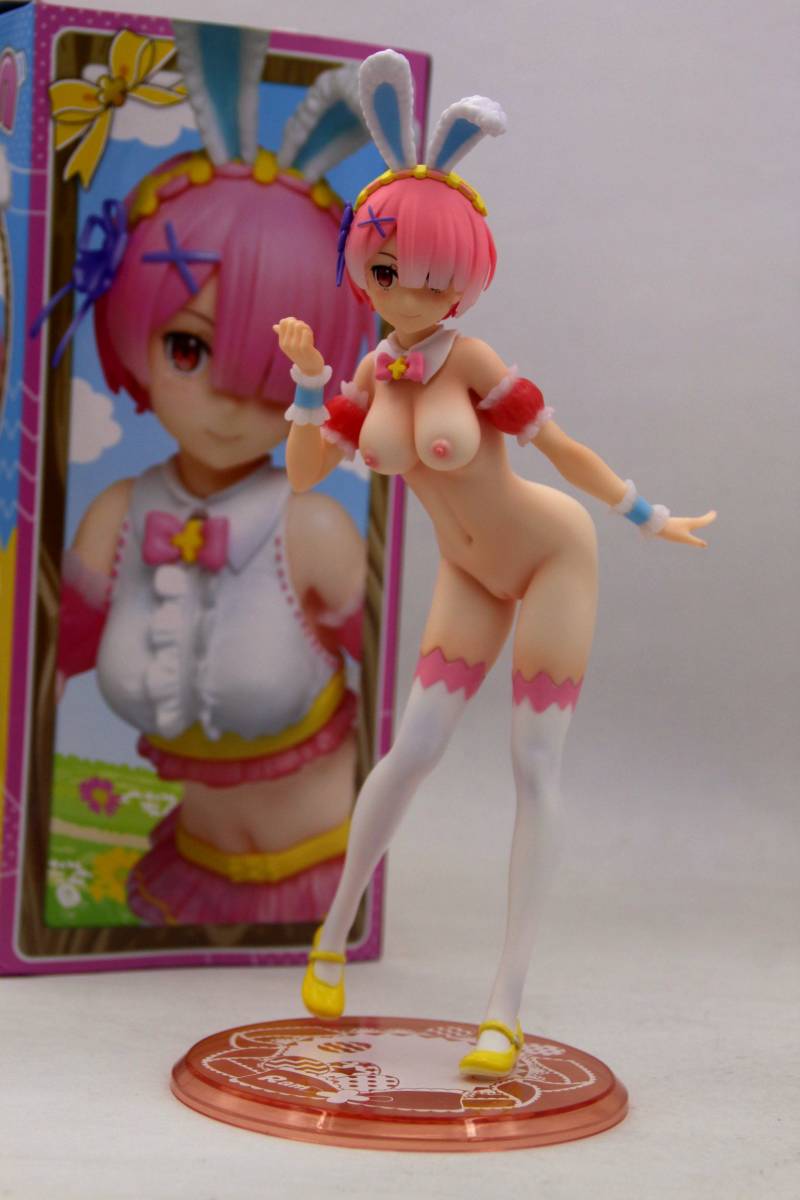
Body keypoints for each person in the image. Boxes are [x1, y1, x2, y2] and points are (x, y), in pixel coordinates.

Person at [275, 49, 716, 1077]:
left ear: (469, 276)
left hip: (550, 553)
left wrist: (642, 511)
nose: (413, 290)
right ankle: (331, 934)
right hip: (469, 573)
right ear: (363, 265)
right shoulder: (370, 371)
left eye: (438, 274)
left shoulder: (466, 360)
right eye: (392, 270)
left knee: (531, 766)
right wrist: (306, 382)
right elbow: (303, 473)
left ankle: (503, 1005)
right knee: (412, 749)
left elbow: (555, 446)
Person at [48, 30, 375, 925]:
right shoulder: (117, 518)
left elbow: (395, 685)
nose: (229, 400)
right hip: (190, 862)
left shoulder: (313, 528)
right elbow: (45, 667)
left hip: (325, 859)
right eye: (189, 349)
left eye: (274, 368)